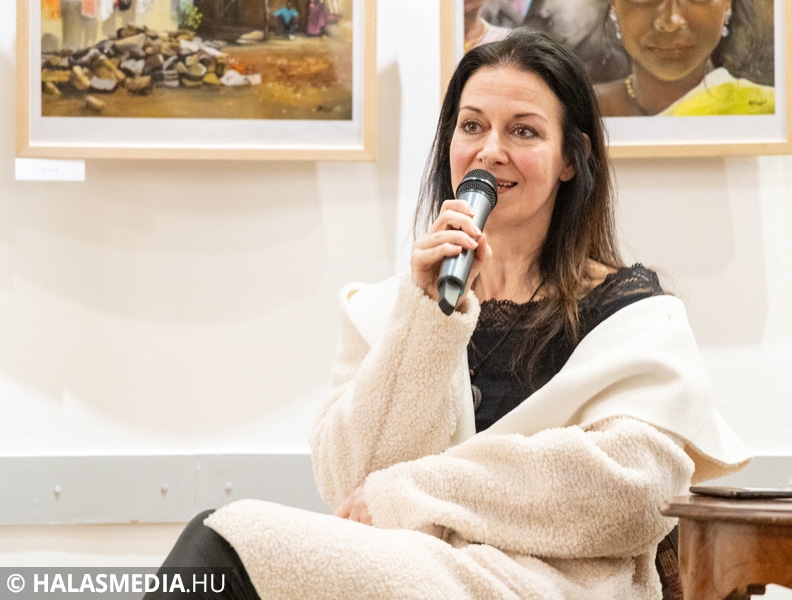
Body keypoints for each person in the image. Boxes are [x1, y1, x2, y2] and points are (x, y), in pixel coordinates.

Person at [145, 28, 750, 600]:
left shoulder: (632, 315)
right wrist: (427, 316)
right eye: (472, 126)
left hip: (556, 586)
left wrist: (415, 491)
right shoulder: (390, 309)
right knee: (224, 541)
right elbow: (349, 483)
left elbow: (634, 492)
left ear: (571, 157)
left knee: (225, 541)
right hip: (423, 572)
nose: (491, 151)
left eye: (523, 131)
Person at [595, 0, 776, 116]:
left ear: (727, 3)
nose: (671, 22)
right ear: (613, 4)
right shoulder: (585, 111)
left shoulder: (767, 111)